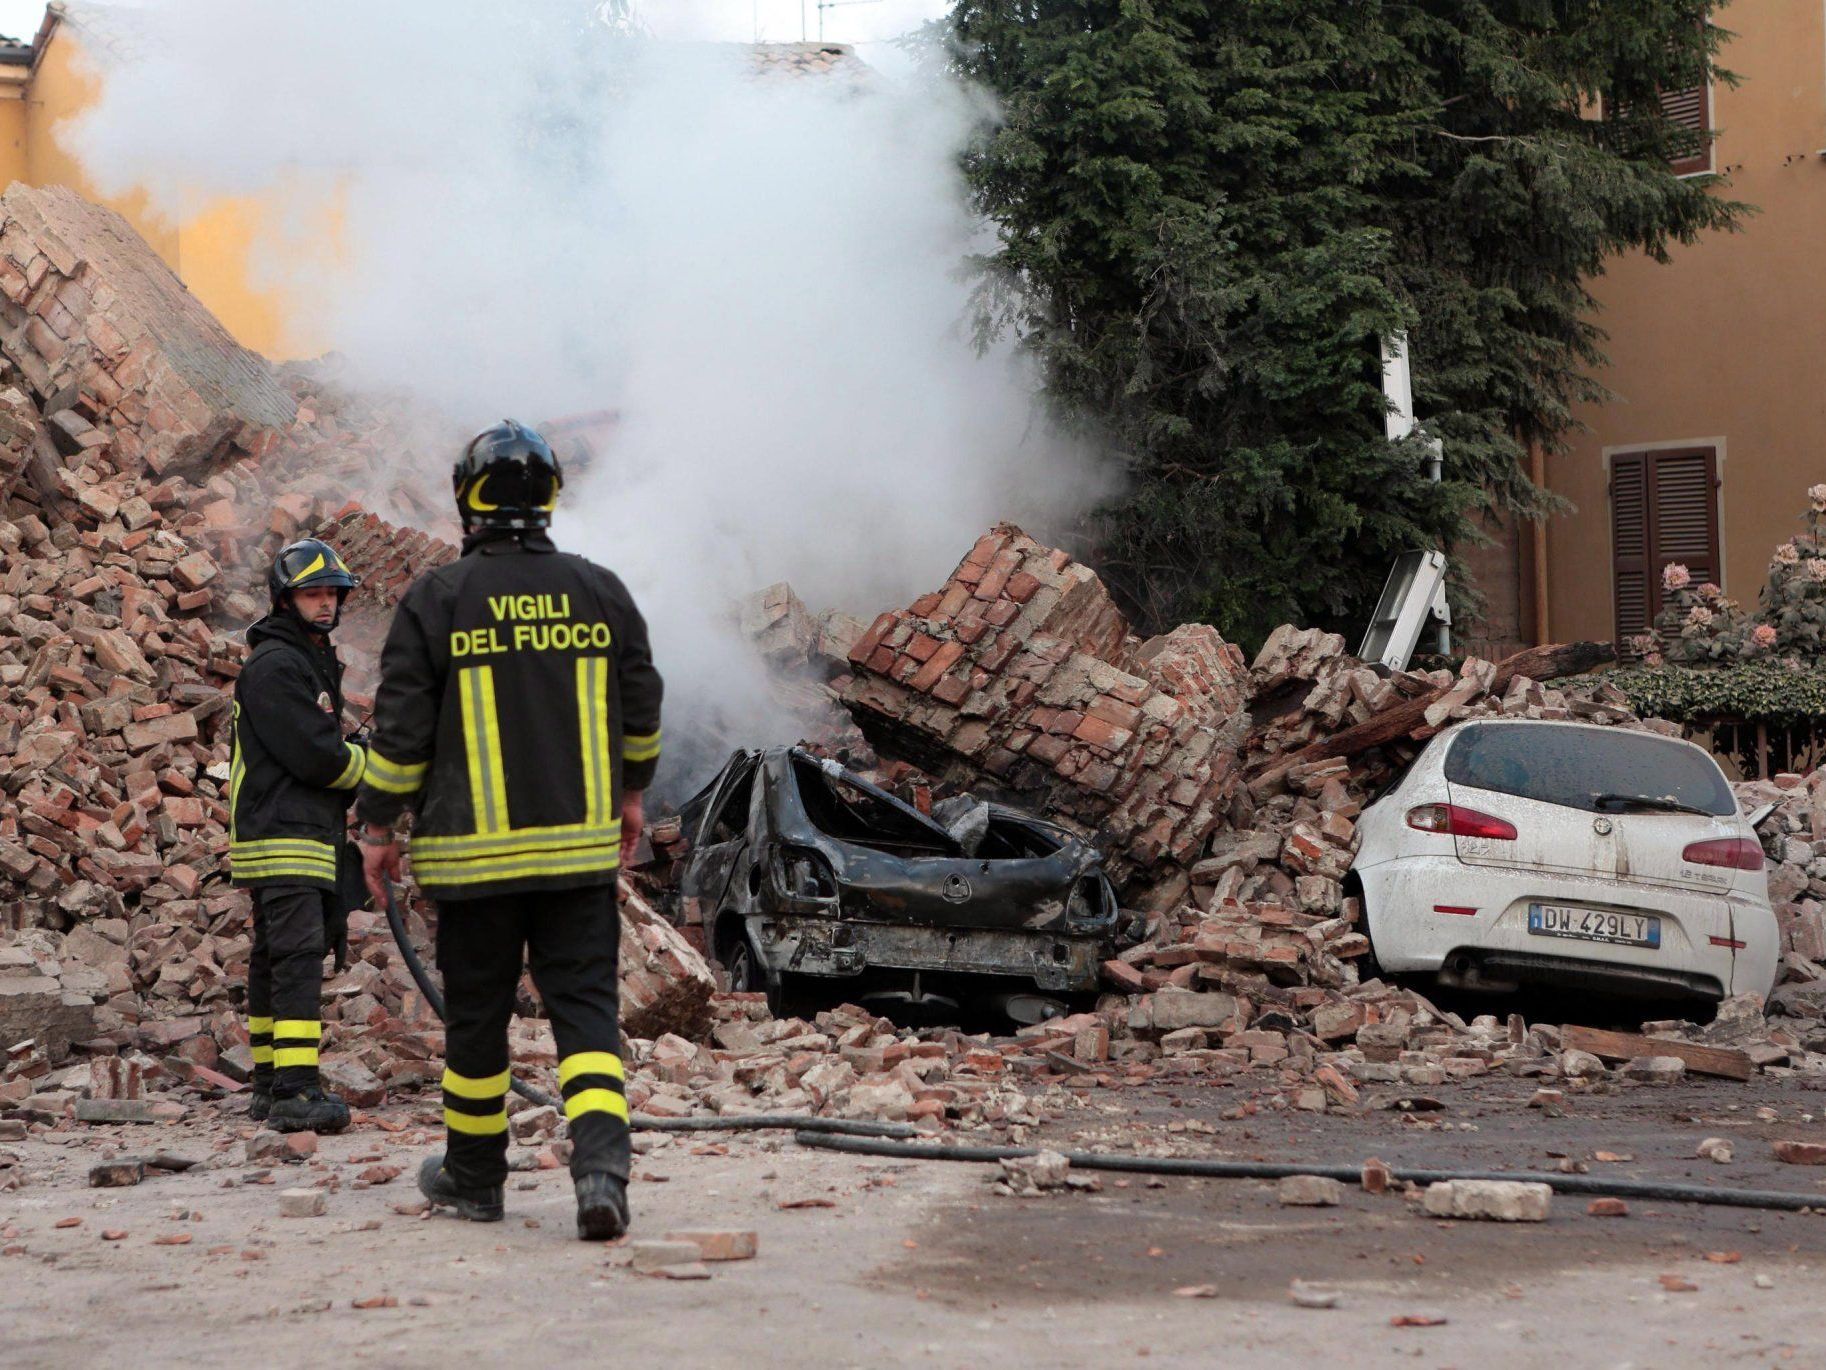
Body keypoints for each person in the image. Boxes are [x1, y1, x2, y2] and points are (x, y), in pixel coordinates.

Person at [355, 419, 663, 1241]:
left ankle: (474, 1178)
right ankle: (600, 1170)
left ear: (470, 498)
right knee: (588, 1017)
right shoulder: (601, 591)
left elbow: (400, 733)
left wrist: (378, 824)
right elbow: (640, 706)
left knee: (478, 1022)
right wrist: (633, 794)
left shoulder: (437, 598)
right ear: (551, 496)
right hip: (577, 861)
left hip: (473, 865)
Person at [229, 538, 368, 1134]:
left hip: (294, 831)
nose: (325, 603)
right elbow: (317, 756)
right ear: (285, 599)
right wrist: (374, 768)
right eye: (313, 592)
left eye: (332, 593)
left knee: (274, 956)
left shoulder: (302, 660)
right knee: (296, 957)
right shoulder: (277, 666)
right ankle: (294, 1090)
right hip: (286, 833)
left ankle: (268, 1085)